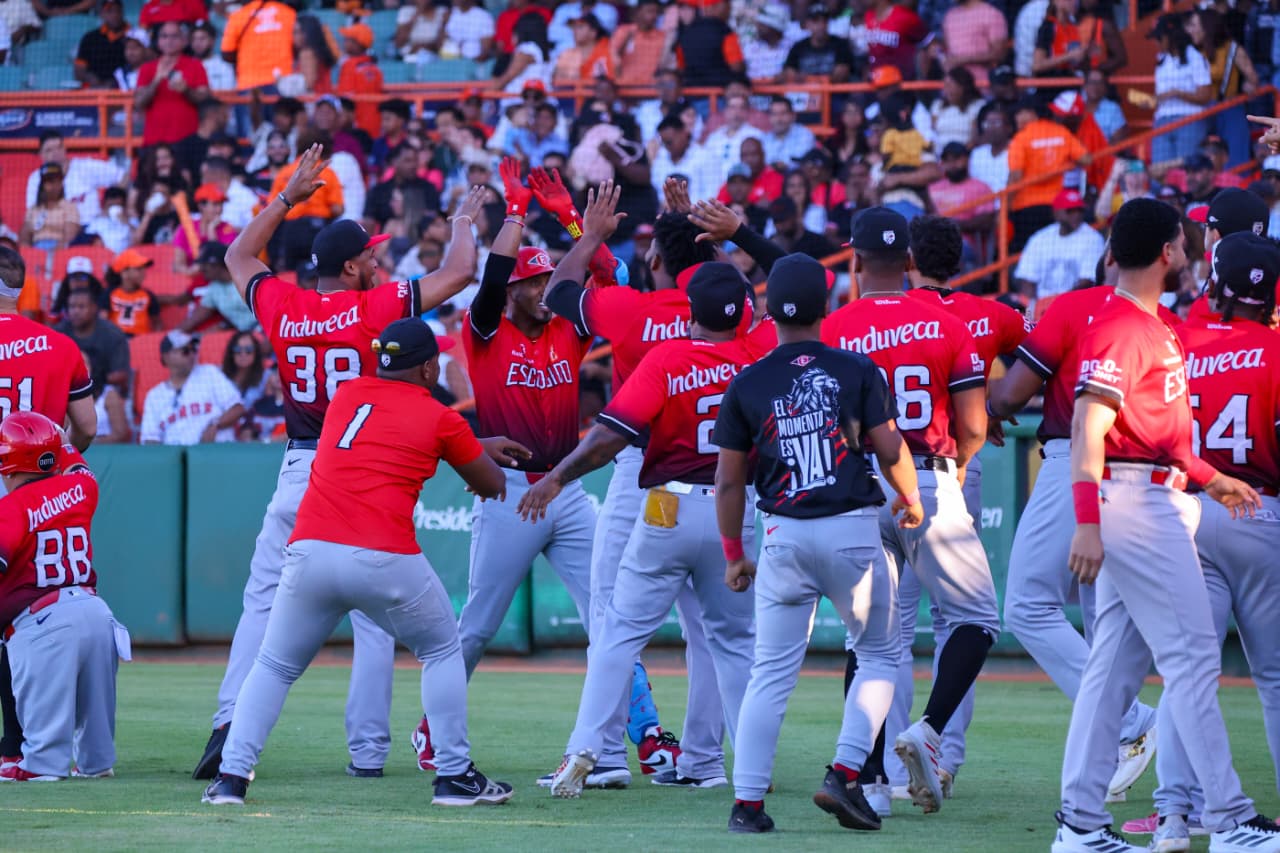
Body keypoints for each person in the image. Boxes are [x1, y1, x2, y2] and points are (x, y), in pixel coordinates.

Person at [190, 143, 486, 782]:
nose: (378, 261)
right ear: (351, 267)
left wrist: (286, 197)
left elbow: (237, 255)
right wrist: (464, 218)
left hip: (299, 470)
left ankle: (228, 723)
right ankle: (368, 754)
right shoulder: (373, 307)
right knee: (376, 623)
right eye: (371, 255)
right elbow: (461, 273)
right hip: (361, 469)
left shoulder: (284, 305)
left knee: (260, 604)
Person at [533, 176, 789, 789]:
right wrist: (724, 237)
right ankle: (709, 764)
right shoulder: (752, 336)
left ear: (655, 257)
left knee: (613, 618)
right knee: (720, 638)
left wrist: (585, 229)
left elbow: (559, 291)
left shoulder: (635, 313)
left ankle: (604, 755)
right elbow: (790, 282)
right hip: (735, 495)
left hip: (645, 481)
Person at [201, 319, 520, 808]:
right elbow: (493, 484)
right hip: (382, 556)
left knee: (273, 664)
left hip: (310, 551)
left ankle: (231, 779)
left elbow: (387, 432)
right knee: (441, 649)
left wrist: (474, 448)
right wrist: (478, 456)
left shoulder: (346, 395)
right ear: (430, 365)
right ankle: (454, 776)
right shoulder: (441, 416)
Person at [1048, 197, 1280, 853]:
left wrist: (1213, 479)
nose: (1191, 252)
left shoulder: (1155, 325)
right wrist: (1087, 523)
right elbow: (1089, 424)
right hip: (1130, 503)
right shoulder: (1123, 326)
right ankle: (1231, 819)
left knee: (1113, 671)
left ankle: (1080, 824)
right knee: (1193, 657)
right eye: (1183, 242)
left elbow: (1167, 437)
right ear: (1168, 253)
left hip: (1152, 489)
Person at [715, 252, 923, 833]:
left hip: (781, 534)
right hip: (851, 531)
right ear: (826, 306)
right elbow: (889, 449)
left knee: (770, 674)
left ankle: (747, 805)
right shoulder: (856, 369)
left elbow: (728, 481)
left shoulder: (748, 381)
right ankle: (844, 772)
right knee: (880, 653)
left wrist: (734, 554)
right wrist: (910, 499)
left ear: (766, 310)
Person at [822, 207, 996, 817]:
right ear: (912, 263)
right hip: (930, 477)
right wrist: (954, 468)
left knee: (871, 641)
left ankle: (868, 781)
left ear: (857, 261)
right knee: (976, 621)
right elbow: (974, 423)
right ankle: (930, 729)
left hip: (860, 486)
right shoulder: (947, 320)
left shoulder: (836, 327)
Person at [0, 413, 119, 783]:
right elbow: (72, 456)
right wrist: (54, 441)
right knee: (98, 760)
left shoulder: (10, 508)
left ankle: (41, 765)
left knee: (41, 766)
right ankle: (96, 762)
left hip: (43, 625)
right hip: (98, 615)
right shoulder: (83, 488)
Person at [1006, 95, 1089, 253]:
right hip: (1055, 206)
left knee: (1027, 253)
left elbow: (1015, 176)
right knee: (1053, 249)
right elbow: (1086, 159)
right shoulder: (1061, 132)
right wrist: (1066, 164)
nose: (1016, 118)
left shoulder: (1021, 138)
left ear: (1032, 113)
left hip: (1026, 208)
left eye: (1020, 113)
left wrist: (1006, 205)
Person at [140, 331, 246, 445]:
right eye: (185, 351)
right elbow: (150, 439)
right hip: (177, 458)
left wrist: (216, 424)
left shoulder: (209, 373)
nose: (191, 355)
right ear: (166, 357)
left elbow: (237, 408)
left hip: (216, 451)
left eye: (193, 350)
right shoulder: (155, 395)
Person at [1187, 8, 1257, 167]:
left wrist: (1248, 85)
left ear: (1207, 27)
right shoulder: (1193, 52)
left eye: (1194, 25)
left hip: (1229, 107)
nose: (1190, 30)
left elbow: (1253, 78)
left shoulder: (1232, 49)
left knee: (1236, 158)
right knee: (1201, 159)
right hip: (1202, 110)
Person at [1012, 189, 1106, 301]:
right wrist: (1033, 306)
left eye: (1080, 210)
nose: (1076, 215)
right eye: (1070, 211)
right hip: (1042, 305)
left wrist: (1059, 305)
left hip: (1074, 303)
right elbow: (1026, 278)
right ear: (1056, 213)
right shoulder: (1040, 238)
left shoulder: (1093, 238)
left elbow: (1087, 282)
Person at [1150, 14, 1213, 167]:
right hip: (1162, 119)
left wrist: (1176, 92)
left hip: (1189, 119)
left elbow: (1205, 95)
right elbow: (1161, 94)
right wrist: (1150, 101)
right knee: (1159, 171)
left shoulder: (1195, 57)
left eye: (1160, 37)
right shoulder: (1161, 59)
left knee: (1187, 170)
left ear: (1171, 36)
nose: (1157, 42)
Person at [135, 22, 211, 147]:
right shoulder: (147, 68)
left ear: (184, 41)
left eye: (174, 36)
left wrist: (186, 90)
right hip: (155, 140)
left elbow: (205, 98)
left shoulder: (196, 66)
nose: (169, 41)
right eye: (164, 36)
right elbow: (138, 102)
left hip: (187, 139)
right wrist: (156, 81)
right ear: (158, 41)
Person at [53, 288, 130, 396]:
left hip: (103, 391)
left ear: (94, 308)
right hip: (66, 389)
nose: (75, 311)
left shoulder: (112, 334)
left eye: (81, 307)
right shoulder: (57, 334)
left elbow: (121, 374)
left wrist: (95, 378)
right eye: (72, 307)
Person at [183, 242, 260, 333]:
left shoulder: (247, 277)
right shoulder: (214, 288)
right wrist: (172, 336)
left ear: (215, 265)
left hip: (266, 328)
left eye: (204, 265)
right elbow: (196, 318)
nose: (201, 269)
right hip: (247, 335)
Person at [365, 144, 442, 233]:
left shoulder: (427, 188)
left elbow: (433, 216)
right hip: (387, 240)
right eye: (407, 161)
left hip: (421, 239)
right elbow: (368, 220)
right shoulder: (379, 191)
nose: (413, 165)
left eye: (415, 161)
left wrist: (406, 210)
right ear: (394, 162)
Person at [651, 115, 721, 206]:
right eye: (664, 143)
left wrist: (687, 210)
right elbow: (657, 193)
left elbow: (712, 197)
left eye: (669, 142)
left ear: (684, 133)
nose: (667, 147)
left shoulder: (706, 157)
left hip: (698, 217)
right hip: (668, 216)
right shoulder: (661, 159)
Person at [941, 0, 1009, 87]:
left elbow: (999, 53)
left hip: (982, 86)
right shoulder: (950, 16)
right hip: (954, 87)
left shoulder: (991, 14)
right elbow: (946, 52)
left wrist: (962, 59)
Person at [335, 23, 383, 141]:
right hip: (374, 124)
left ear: (358, 43)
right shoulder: (374, 67)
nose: (344, 42)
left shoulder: (349, 65)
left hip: (355, 125)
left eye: (348, 39)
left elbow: (345, 99)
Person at [784, 4, 854, 83]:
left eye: (824, 21)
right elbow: (789, 73)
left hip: (833, 93)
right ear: (807, 24)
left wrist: (808, 79)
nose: (821, 25)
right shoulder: (798, 47)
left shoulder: (840, 45)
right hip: (805, 93)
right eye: (816, 21)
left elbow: (841, 75)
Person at [703, 96, 765, 184]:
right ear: (725, 111)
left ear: (747, 112)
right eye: (732, 107)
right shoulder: (714, 137)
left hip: (743, 189)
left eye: (741, 108)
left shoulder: (756, 135)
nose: (737, 112)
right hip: (714, 188)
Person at [20, 164, 79, 251]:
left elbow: (69, 237)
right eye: (49, 182)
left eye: (57, 181)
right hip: (35, 249)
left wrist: (52, 253)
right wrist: (27, 250)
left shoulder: (69, 207)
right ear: (42, 185)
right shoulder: (34, 209)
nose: (54, 186)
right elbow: (24, 235)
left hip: (59, 250)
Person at [864, 0, 927, 80]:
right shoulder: (868, 15)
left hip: (901, 83)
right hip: (876, 81)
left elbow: (928, 42)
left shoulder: (905, 16)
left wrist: (922, 77)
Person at [105, 248, 161, 337]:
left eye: (143, 268)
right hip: (116, 341)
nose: (143, 272)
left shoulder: (148, 295)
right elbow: (102, 321)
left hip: (141, 342)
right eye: (138, 269)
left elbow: (157, 323)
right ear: (124, 273)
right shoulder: (110, 293)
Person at [74, 0, 130, 88]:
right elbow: (79, 71)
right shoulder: (90, 38)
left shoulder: (133, 36)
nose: (114, 15)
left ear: (122, 12)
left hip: (124, 87)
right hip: (95, 89)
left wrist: (115, 82)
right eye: (109, 11)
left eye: (117, 10)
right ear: (102, 14)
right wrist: (90, 78)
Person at [609, 0, 664, 86]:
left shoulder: (662, 37)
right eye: (650, 11)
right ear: (638, 12)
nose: (654, 16)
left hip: (650, 89)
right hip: (625, 87)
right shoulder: (623, 31)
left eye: (656, 12)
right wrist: (626, 41)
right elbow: (613, 59)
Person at [763, 97, 816, 173]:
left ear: (793, 116)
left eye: (783, 113)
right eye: (774, 114)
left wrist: (778, 166)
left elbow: (802, 164)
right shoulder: (765, 138)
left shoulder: (804, 135)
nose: (778, 119)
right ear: (769, 117)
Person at [292, 14, 337, 96]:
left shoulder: (307, 53)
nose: (294, 37)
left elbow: (308, 84)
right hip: (323, 99)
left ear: (309, 33)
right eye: (293, 32)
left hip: (314, 101)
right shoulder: (317, 51)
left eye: (297, 32)